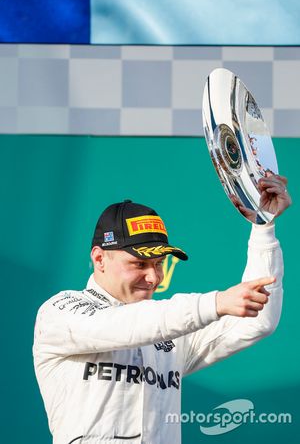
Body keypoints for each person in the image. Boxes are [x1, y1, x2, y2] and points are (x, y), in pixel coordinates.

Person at [33, 174, 291, 444]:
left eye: (158, 264)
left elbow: (257, 319)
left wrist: (264, 228)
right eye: (140, 264)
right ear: (99, 259)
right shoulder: (60, 313)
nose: (154, 277)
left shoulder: (168, 328)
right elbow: (126, 325)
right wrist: (215, 303)